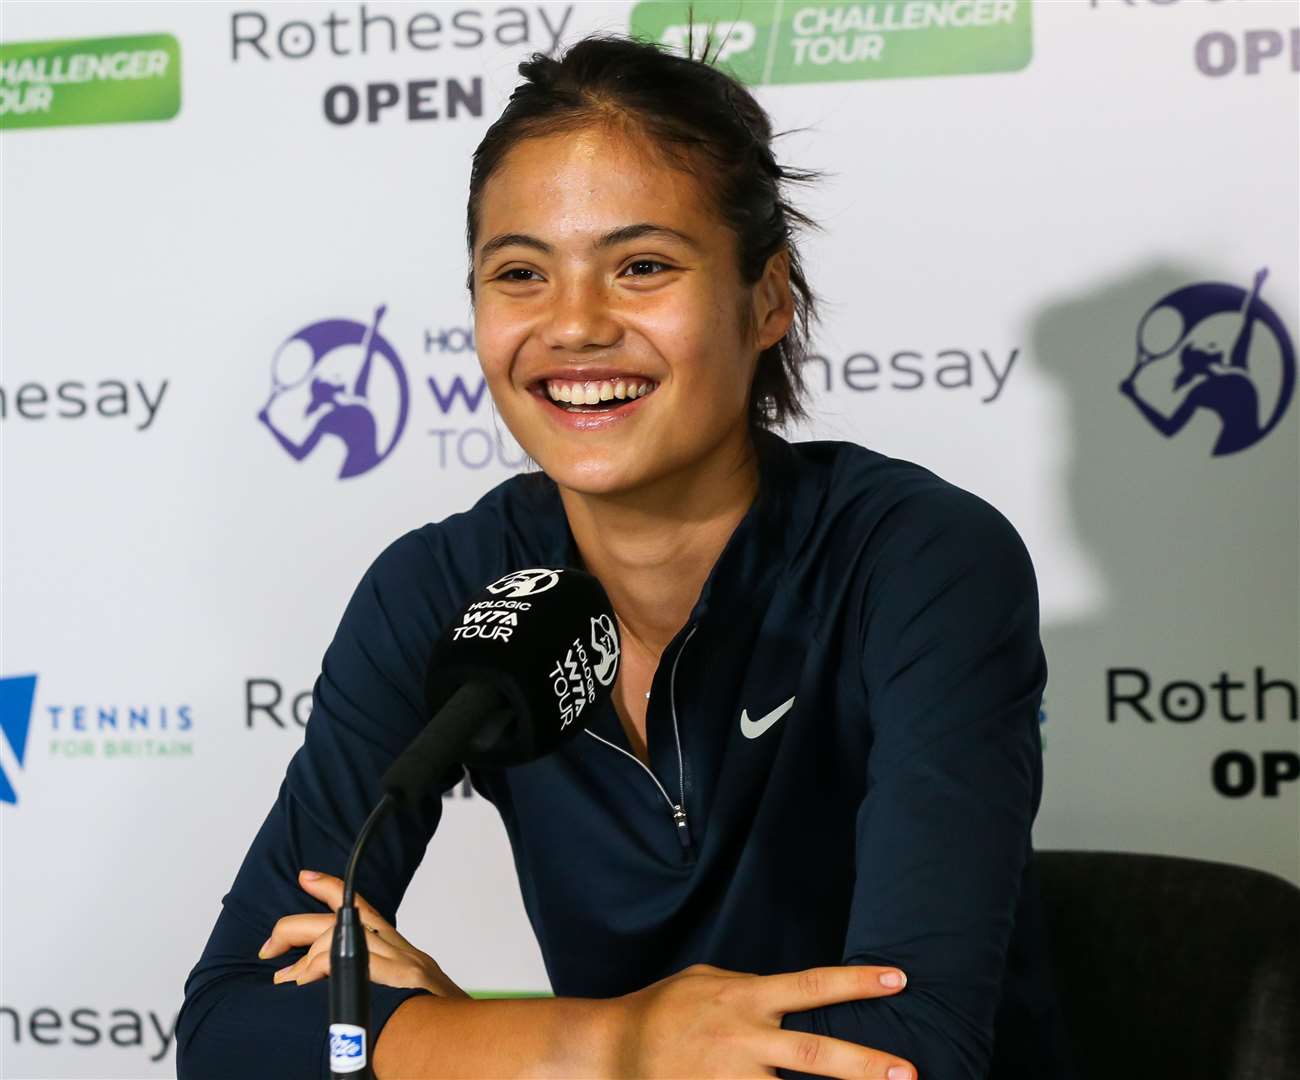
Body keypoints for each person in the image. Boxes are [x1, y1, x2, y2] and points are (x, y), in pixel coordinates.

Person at [178, 31, 1076, 1080]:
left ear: (768, 299)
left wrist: (479, 1046)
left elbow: (904, 1057)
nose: (574, 326)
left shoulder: (917, 561)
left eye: (641, 266)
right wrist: (602, 1045)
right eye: (519, 273)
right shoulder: (437, 587)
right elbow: (234, 1031)